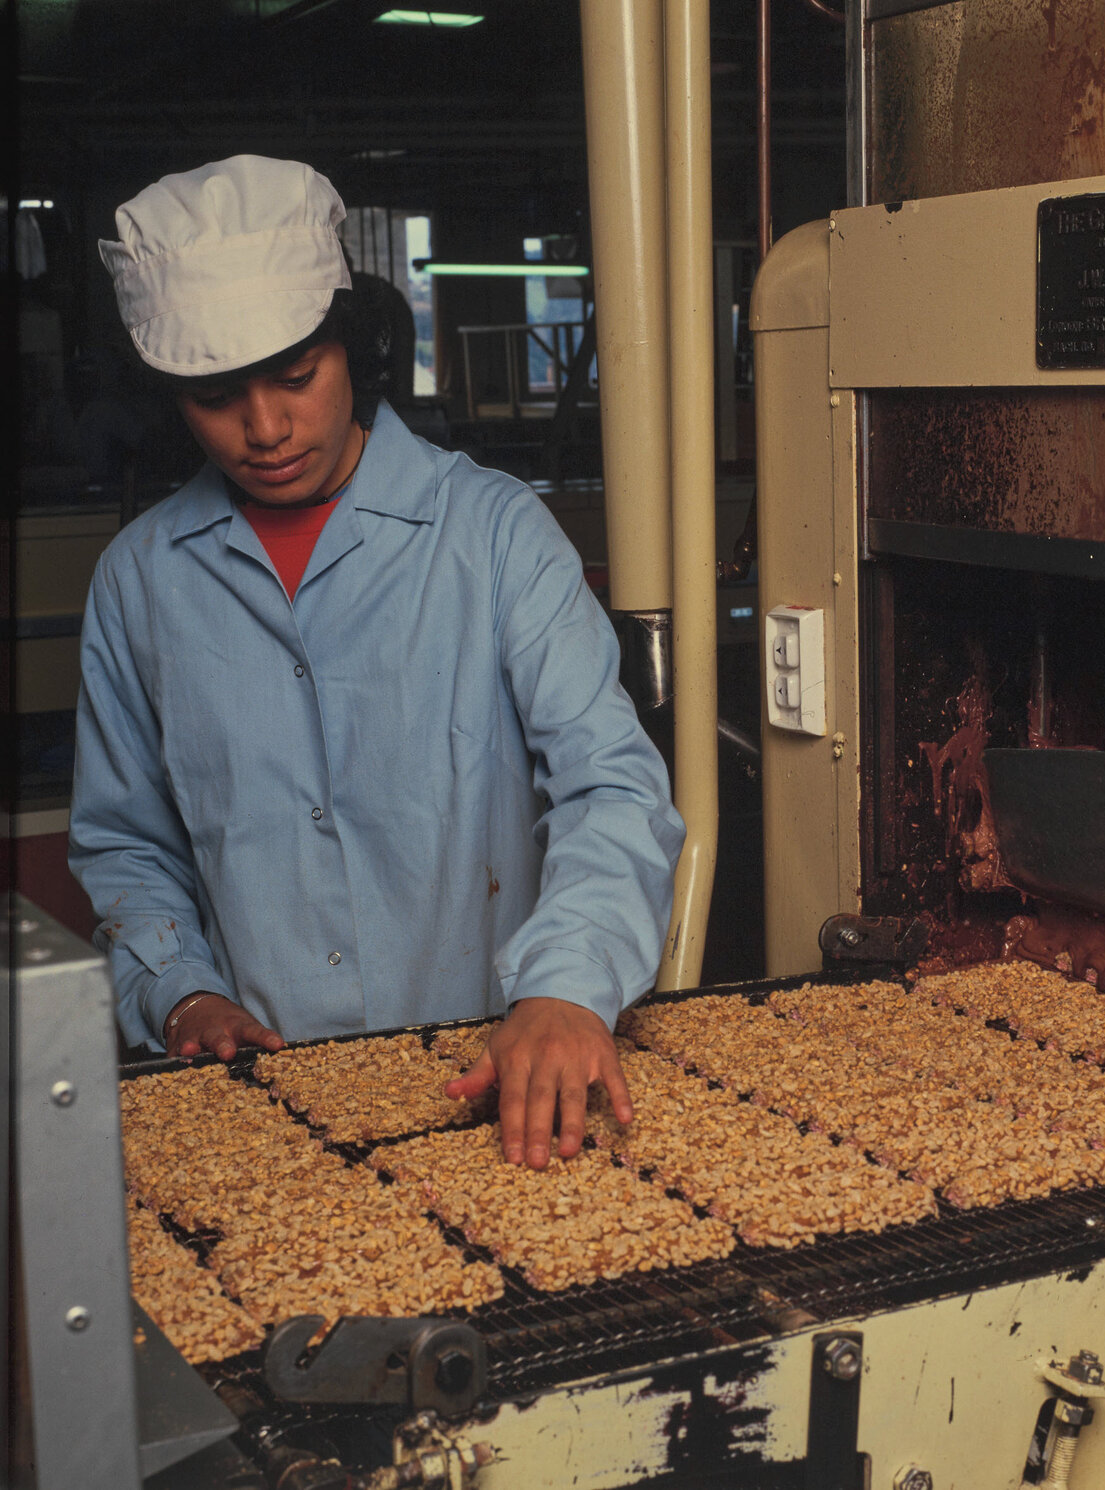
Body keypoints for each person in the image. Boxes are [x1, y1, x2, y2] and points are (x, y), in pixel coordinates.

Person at [70, 155, 685, 1168]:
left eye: (296, 376)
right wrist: (181, 986)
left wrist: (566, 987)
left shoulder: (492, 535)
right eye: (217, 396)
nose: (264, 429)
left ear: (353, 346)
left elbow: (611, 785)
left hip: (496, 1096)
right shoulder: (139, 584)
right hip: (270, 1115)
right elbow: (128, 843)